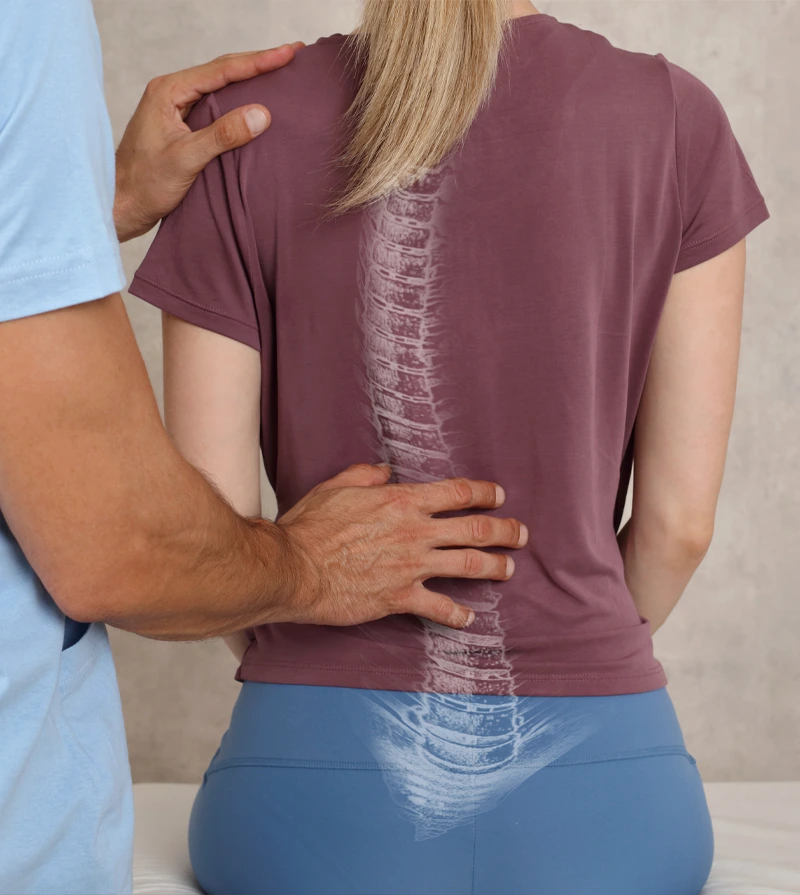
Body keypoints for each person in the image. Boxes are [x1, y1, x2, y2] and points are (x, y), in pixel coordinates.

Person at [129, 0, 770, 893]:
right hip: (608, 812)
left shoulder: (239, 127)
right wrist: (575, 644)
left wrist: (303, 649)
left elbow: (211, 523)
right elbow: (677, 527)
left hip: (305, 808)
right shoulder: (675, 117)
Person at [0, 2, 527, 893]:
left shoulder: (248, 140)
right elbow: (118, 548)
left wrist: (87, 209)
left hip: (293, 794)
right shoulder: (679, 115)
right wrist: (310, 564)